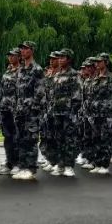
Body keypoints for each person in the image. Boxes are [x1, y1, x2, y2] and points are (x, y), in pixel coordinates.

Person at [12, 40, 45, 181]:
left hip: (31, 112)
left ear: (32, 50)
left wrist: (32, 108)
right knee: (21, 139)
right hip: (20, 111)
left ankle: (30, 168)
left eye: (25, 49)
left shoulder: (37, 69)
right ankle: (23, 165)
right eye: (21, 49)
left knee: (30, 139)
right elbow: (17, 91)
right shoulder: (20, 69)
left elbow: (39, 92)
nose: (22, 51)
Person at [49, 49, 81, 177]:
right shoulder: (56, 75)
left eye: (63, 57)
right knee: (58, 139)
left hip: (68, 113)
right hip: (57, 112)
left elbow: (77, 95)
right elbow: (53, 94)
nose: (60, 59)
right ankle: (60, 163)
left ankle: (69, 165)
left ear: (69, 59)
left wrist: (73, 111)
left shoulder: (74, 74)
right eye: (59, 57)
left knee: (69, 139)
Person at [0, 48, 20, 176]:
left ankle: (17, 163)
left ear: (19, 57)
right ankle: (9, 162)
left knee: (16, 137)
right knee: (7, 137)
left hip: (16, 109)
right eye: (9, 55)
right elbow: (2, 91)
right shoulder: (7, 71)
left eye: (13, 55)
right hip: (5, 108)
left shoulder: (22, 71)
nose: (10, 57)